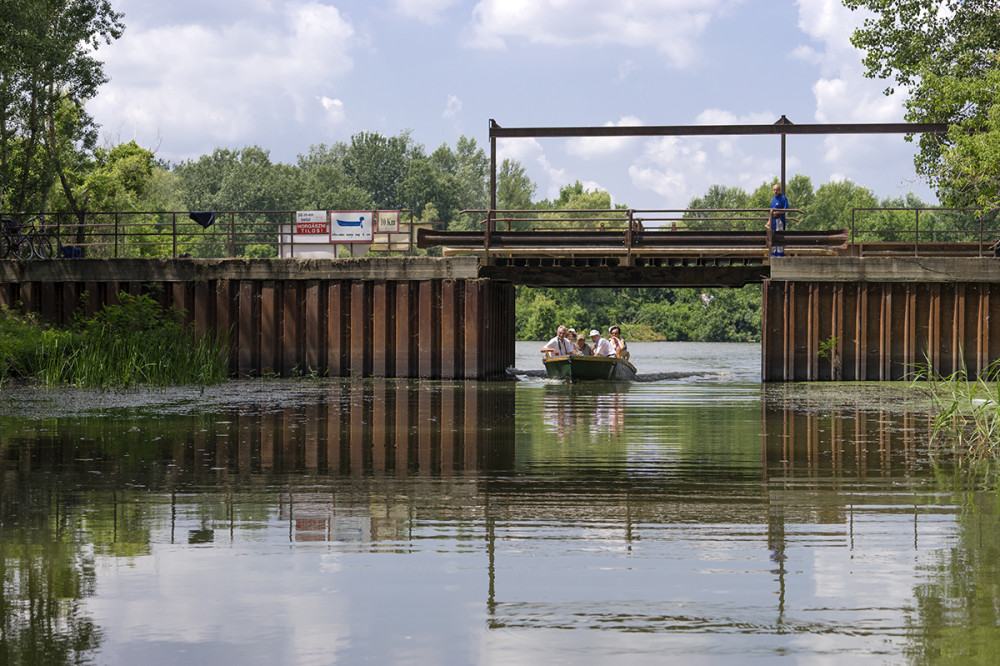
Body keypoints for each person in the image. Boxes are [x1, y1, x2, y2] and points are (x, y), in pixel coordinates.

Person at [767, 183, 789, 257]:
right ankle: (773, 253)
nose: (775, 191)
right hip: (773, 221)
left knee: (779, 236)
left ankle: (780, 254)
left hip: (780, 220)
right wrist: (769, 221)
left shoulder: (783, 198)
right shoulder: (773, 199)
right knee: (772, 236)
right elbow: (771, 211)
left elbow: (785, 210)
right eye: (774, 190)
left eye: (777, 190)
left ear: (779, 190)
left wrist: (777, 213)